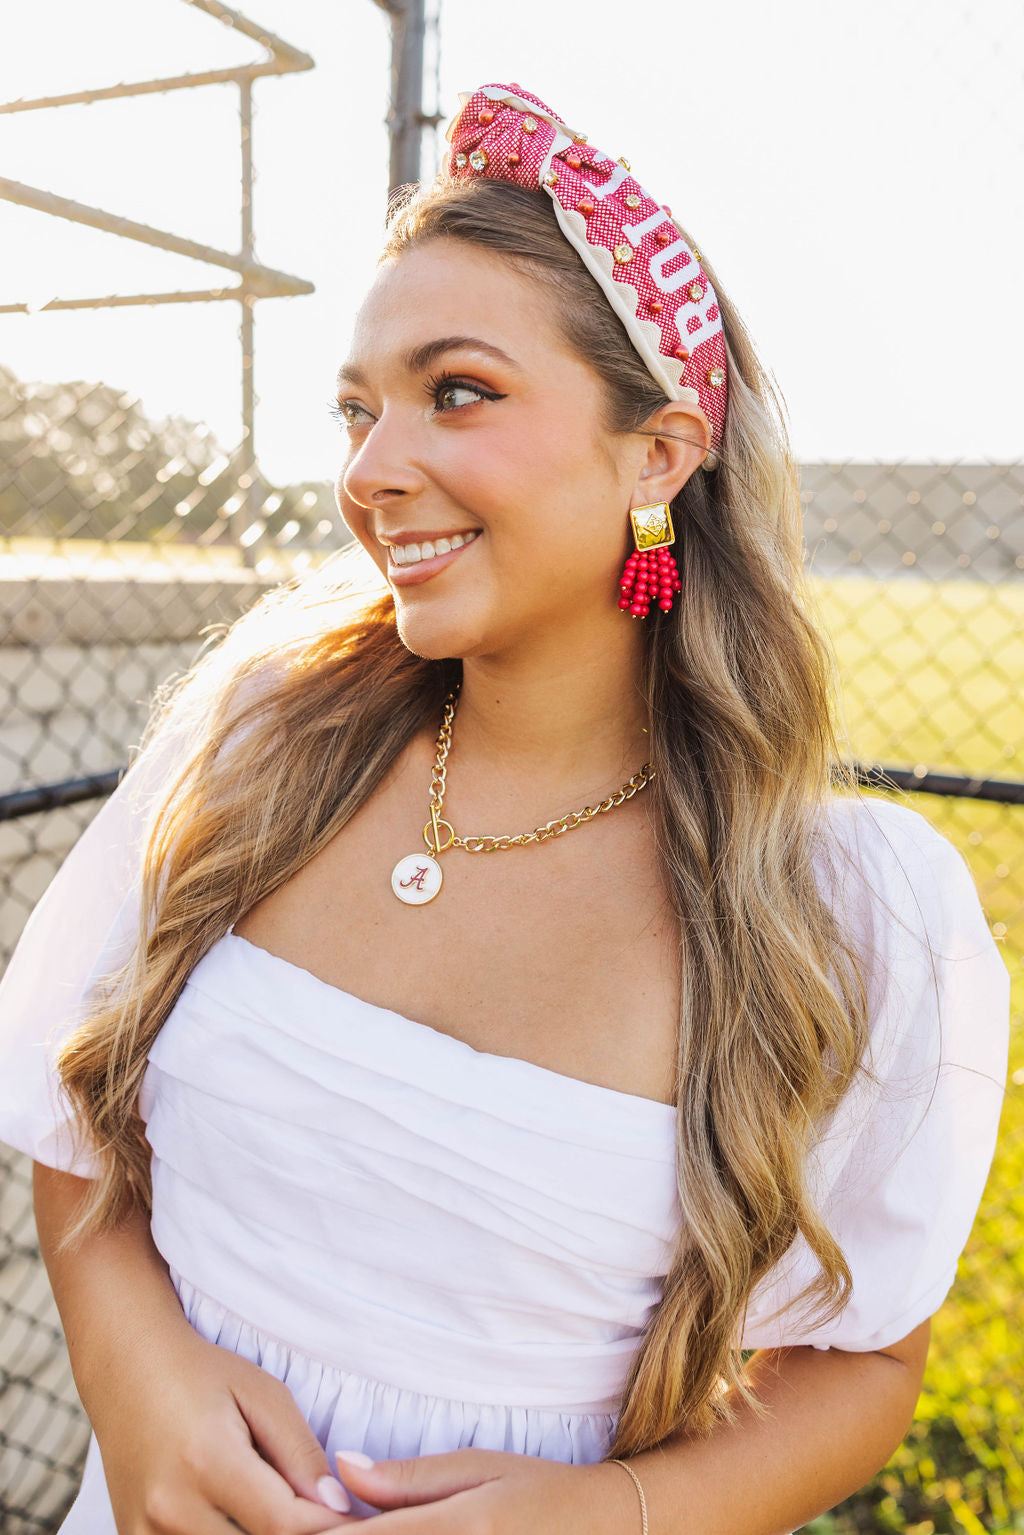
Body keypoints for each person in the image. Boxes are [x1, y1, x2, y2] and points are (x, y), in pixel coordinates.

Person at [0, 81, 1010, 1535]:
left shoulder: (841, 913)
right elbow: (73, 1115)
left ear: (658, 455)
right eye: (358, 410)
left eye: (455, 391)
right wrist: (128, 1370)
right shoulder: (263, 742)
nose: (369, 471)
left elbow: (863, 1367)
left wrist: (609, 1516)